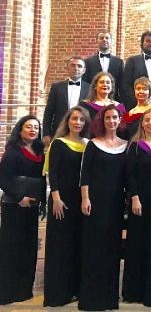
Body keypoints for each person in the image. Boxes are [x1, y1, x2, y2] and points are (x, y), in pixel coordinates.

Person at [78, 104, 128, 311]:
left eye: (115, 117)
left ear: (120, 120)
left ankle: (109, 298)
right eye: (108, 117)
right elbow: (85, 174)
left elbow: (128, 176)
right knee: (94, 249)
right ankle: (92, 298)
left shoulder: (125, 145)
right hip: (95, 203)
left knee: (112, 249)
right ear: (102, 120)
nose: (111, 121)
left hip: (116, 204)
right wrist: (85, 198)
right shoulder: (93, 144)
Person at [43, 106, 91, 307]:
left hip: (80, 200)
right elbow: (52, 173)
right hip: (61, 201)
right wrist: (55, 198)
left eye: (81, 120)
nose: (77, 122)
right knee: (60, 247)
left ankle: (75, 289)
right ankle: (58, 294)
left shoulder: (87, 144)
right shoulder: (58, 143)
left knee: (76, 246)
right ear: (67, 121)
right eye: (74, 119)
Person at [122, 108, 151, 307]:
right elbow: (130, 175)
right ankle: (135, 291)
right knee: (138, 245)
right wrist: (134, 197)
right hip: (140, 203)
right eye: (147, 120)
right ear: (142, 123)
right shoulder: (135, 146)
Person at [0, 116, 45, 305]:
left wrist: (41, 202)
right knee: (12, 248)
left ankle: (23, 290)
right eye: (28, 127)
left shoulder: (39, 152)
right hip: (14, 206)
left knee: (28, 248)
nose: (33, 130)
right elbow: (3, 178)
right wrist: (19, 198)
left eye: (36, 127)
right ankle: (7, 291)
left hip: (31, 207)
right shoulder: (13, 152)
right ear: (20, 130)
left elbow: (42, 179)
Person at [43, 56, 90, 144]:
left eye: (79, 66)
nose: (76, 68)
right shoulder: (56, 87)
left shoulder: (90, 88)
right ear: (67, 68)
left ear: (84, 70)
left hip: (82, 131)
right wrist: (46, 133)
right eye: (73, 65)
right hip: (59, 130)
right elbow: (49, 112)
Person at [122, 31, 151, 109]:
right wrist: (139, 101)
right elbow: (126, 85)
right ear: (142, 44)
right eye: (147, 41)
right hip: (136, 106)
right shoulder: (132, 61)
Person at [83, 31, 124, 100]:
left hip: (113, 99)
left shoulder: (119, 62)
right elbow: (85, 83)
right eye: (101, 38)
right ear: (97, 41)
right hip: (93, 99)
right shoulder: (88, 62)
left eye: (107, 38)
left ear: (111, 41)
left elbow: (122, 84)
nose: (104, 40)